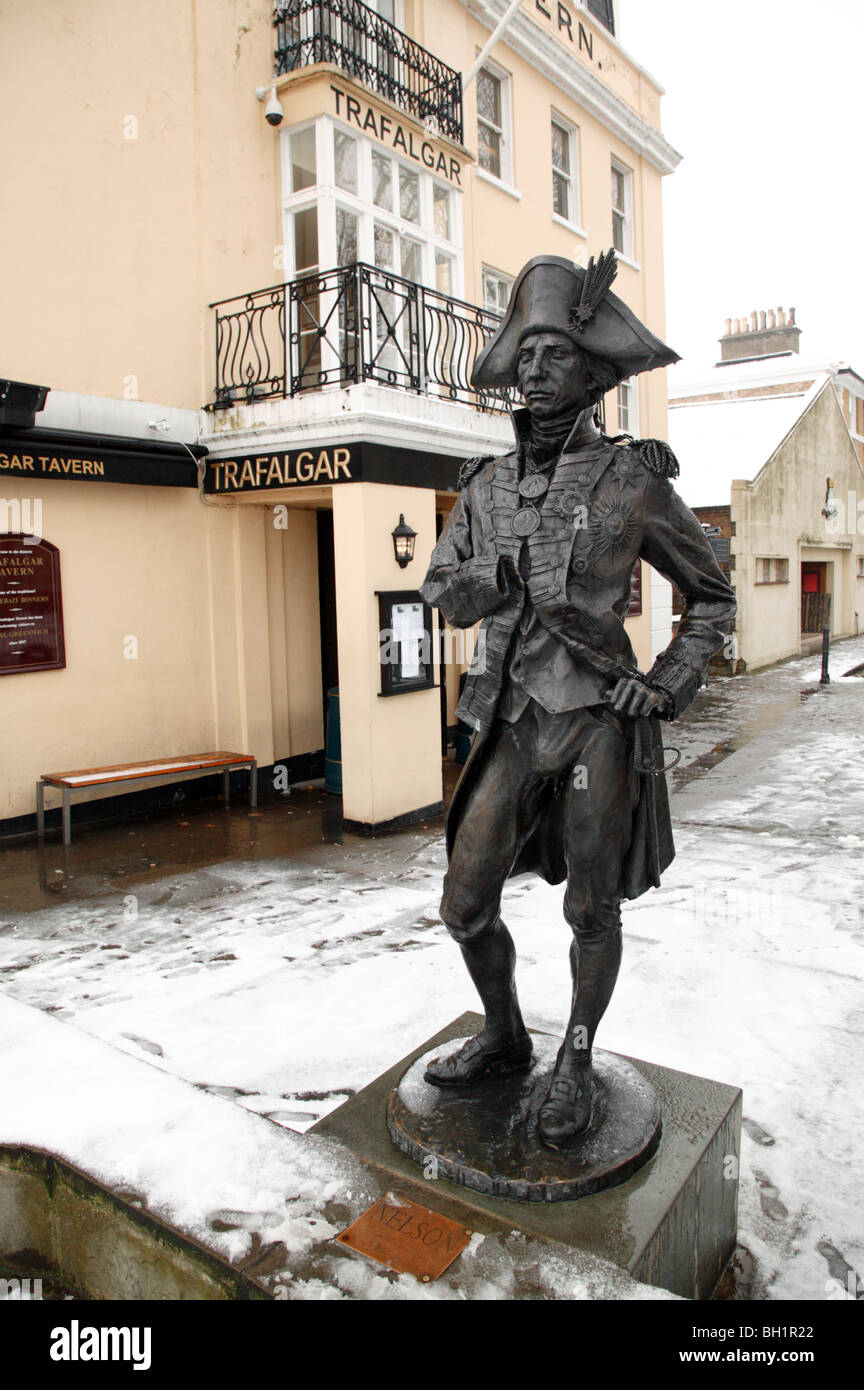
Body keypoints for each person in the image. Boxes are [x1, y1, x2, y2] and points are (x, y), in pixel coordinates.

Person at [419, 252, 736, 1149]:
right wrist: (496, 572)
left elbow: (712, 596)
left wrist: (669, 681)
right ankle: (506, 1034)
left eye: (553, 352)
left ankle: (578, 1057)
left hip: (598, 721)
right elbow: (441, 590)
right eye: (524, 350)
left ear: (594, 374)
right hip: (511, 724)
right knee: (464, 905)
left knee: (593, 910)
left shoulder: (632, 480)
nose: (532, 366)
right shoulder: (481, 487)